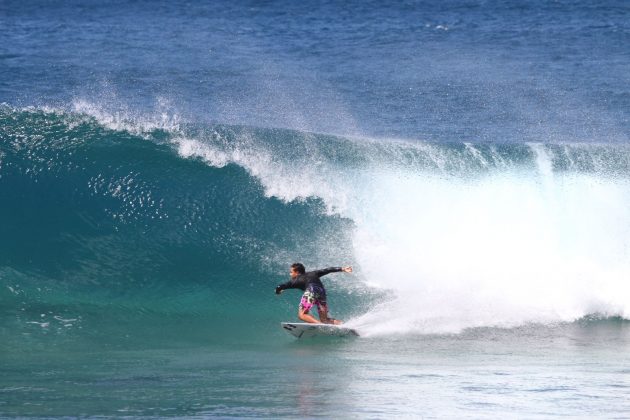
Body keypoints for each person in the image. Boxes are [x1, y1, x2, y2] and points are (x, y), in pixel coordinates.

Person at [275, 263, 352, 324]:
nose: (290, 274)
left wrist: (278, 291)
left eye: (291, 272)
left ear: (297, 272)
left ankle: (320, 325)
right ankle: (343, 325)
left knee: (302, 315)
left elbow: (280, 286)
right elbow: (327, 270)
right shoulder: (313, 273)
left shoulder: (295, 280)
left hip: (311, 290)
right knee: (325, 319)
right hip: (321, 292)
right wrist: (342, 269)